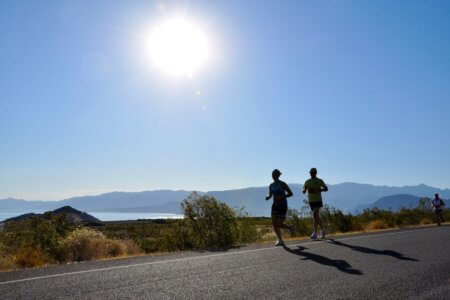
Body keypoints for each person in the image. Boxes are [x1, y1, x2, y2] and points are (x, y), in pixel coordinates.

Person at [265, 169, 295, 246]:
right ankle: (280, 240)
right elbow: (270, 195)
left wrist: (282, 196)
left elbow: (290, 193)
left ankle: (290, 227)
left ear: (278, 175)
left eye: (275, 174)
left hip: (283, 205)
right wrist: (268, 197)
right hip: (274, 206)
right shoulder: (271, 185)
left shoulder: (283, 184)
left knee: (279, 224)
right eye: (273, 175)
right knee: (274, 224)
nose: (274, 176)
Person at [302, 168, 328, 239]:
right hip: (311, 201)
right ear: (309, 173)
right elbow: (303, 189)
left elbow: (326, 188)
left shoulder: (319, 181)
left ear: (316, 173)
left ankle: (317, 232)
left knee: (315, 214)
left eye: (313, 172)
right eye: (311, 172)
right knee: (315, 216)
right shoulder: (307, 181)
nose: (312, 173)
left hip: (318, 200)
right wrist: (304, 190)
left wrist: (321, 189)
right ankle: (319, 231)